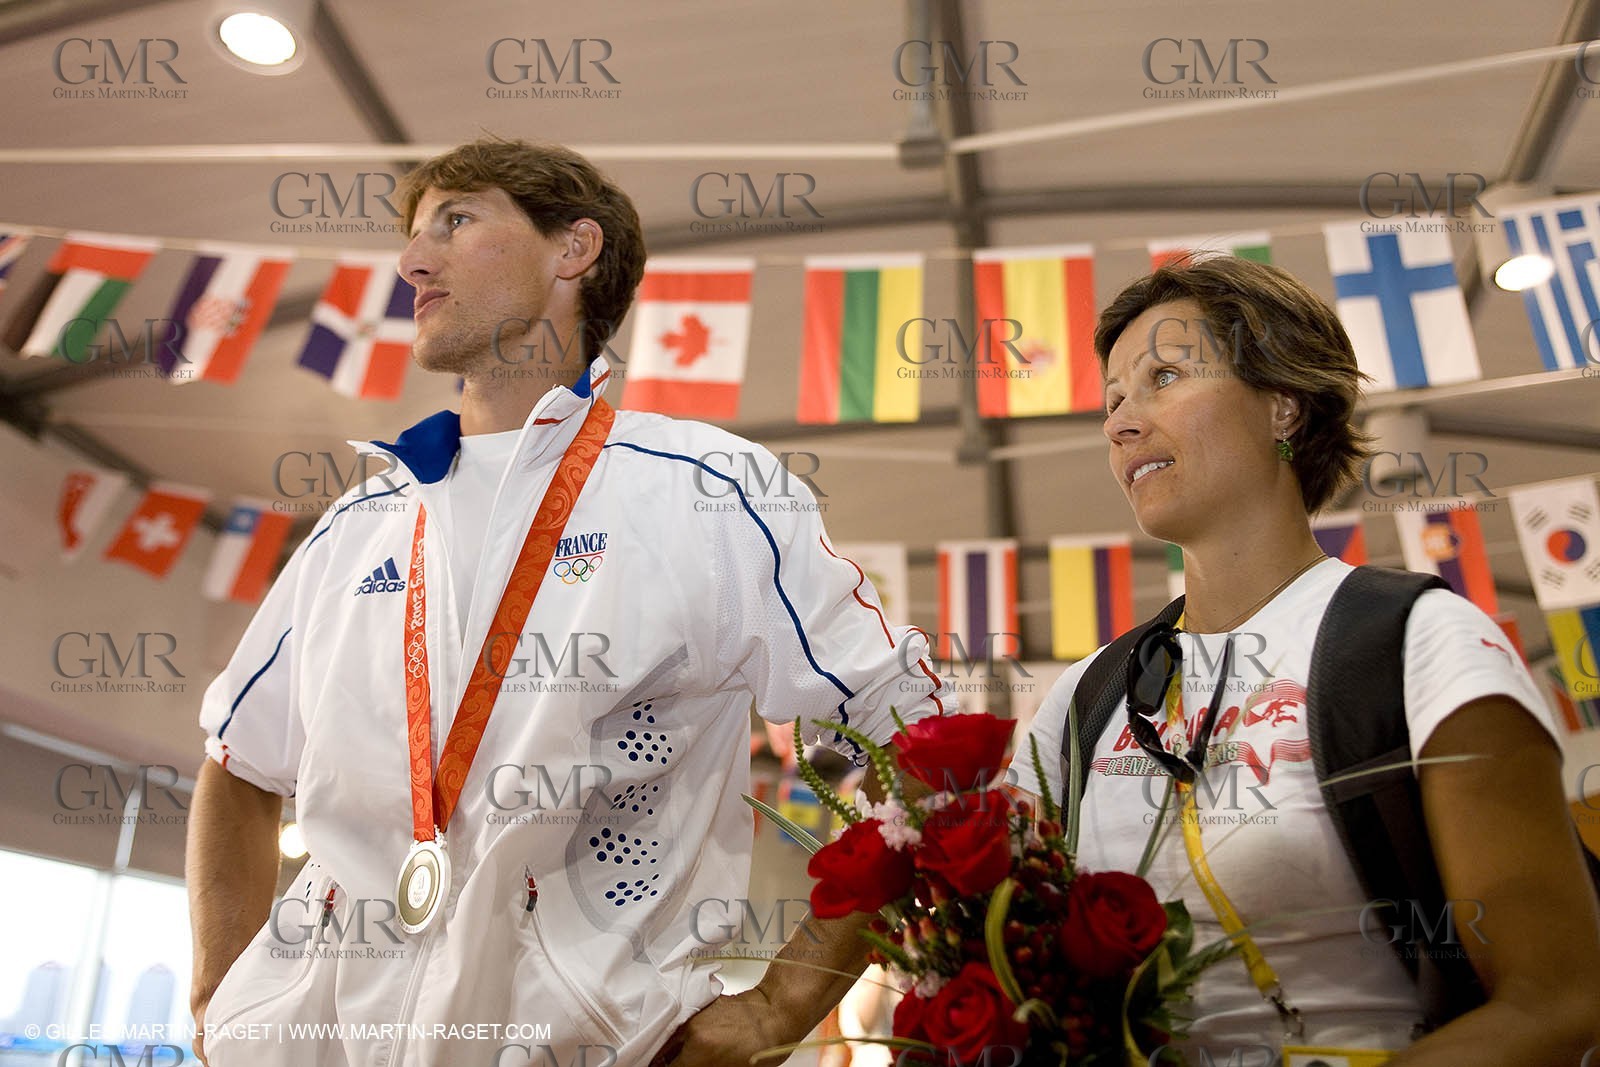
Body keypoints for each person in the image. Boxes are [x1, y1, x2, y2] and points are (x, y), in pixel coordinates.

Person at [185, 136, 952, 1067]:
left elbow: (915, 736)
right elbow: (239, 761)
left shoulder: (708, 488)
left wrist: (785, 1001)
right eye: (414, 234)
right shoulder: (361, 519)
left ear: (573, 249)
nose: (410, 261)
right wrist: (223, 1004)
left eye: (456, 222)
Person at [1007, 257, 1600, 1064]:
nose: (1120, 421)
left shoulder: (1419, 642)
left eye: (1165, 376)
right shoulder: (1083, 697)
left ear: (1282, 405)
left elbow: (1559, 997)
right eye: (1113, 399)